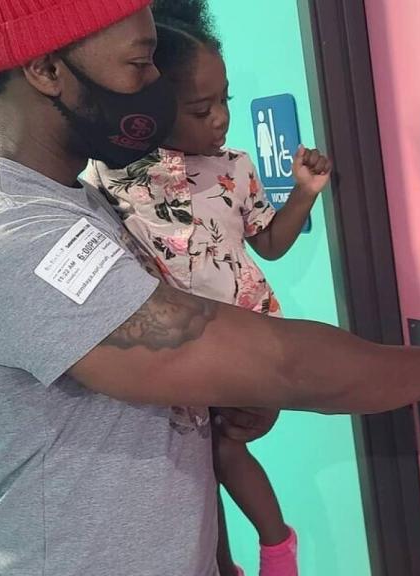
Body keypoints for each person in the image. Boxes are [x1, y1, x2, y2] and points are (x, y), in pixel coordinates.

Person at [0, 1, 420, 575]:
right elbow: (283, 363)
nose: (156, 88)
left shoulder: (81, 204)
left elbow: (174, 393)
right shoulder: (7, 238)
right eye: (140, 64)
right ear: (47, 70)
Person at [84, 3, 329, 573]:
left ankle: (278, 546)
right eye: (201, 108)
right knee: (193, 466)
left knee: (224, 448)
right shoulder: (112, 179)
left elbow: (268, 244)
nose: (219, 118)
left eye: (226, 101)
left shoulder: (234, 167)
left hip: (240, 331)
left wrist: (305, 193)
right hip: (173, 348)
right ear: (151, 105)